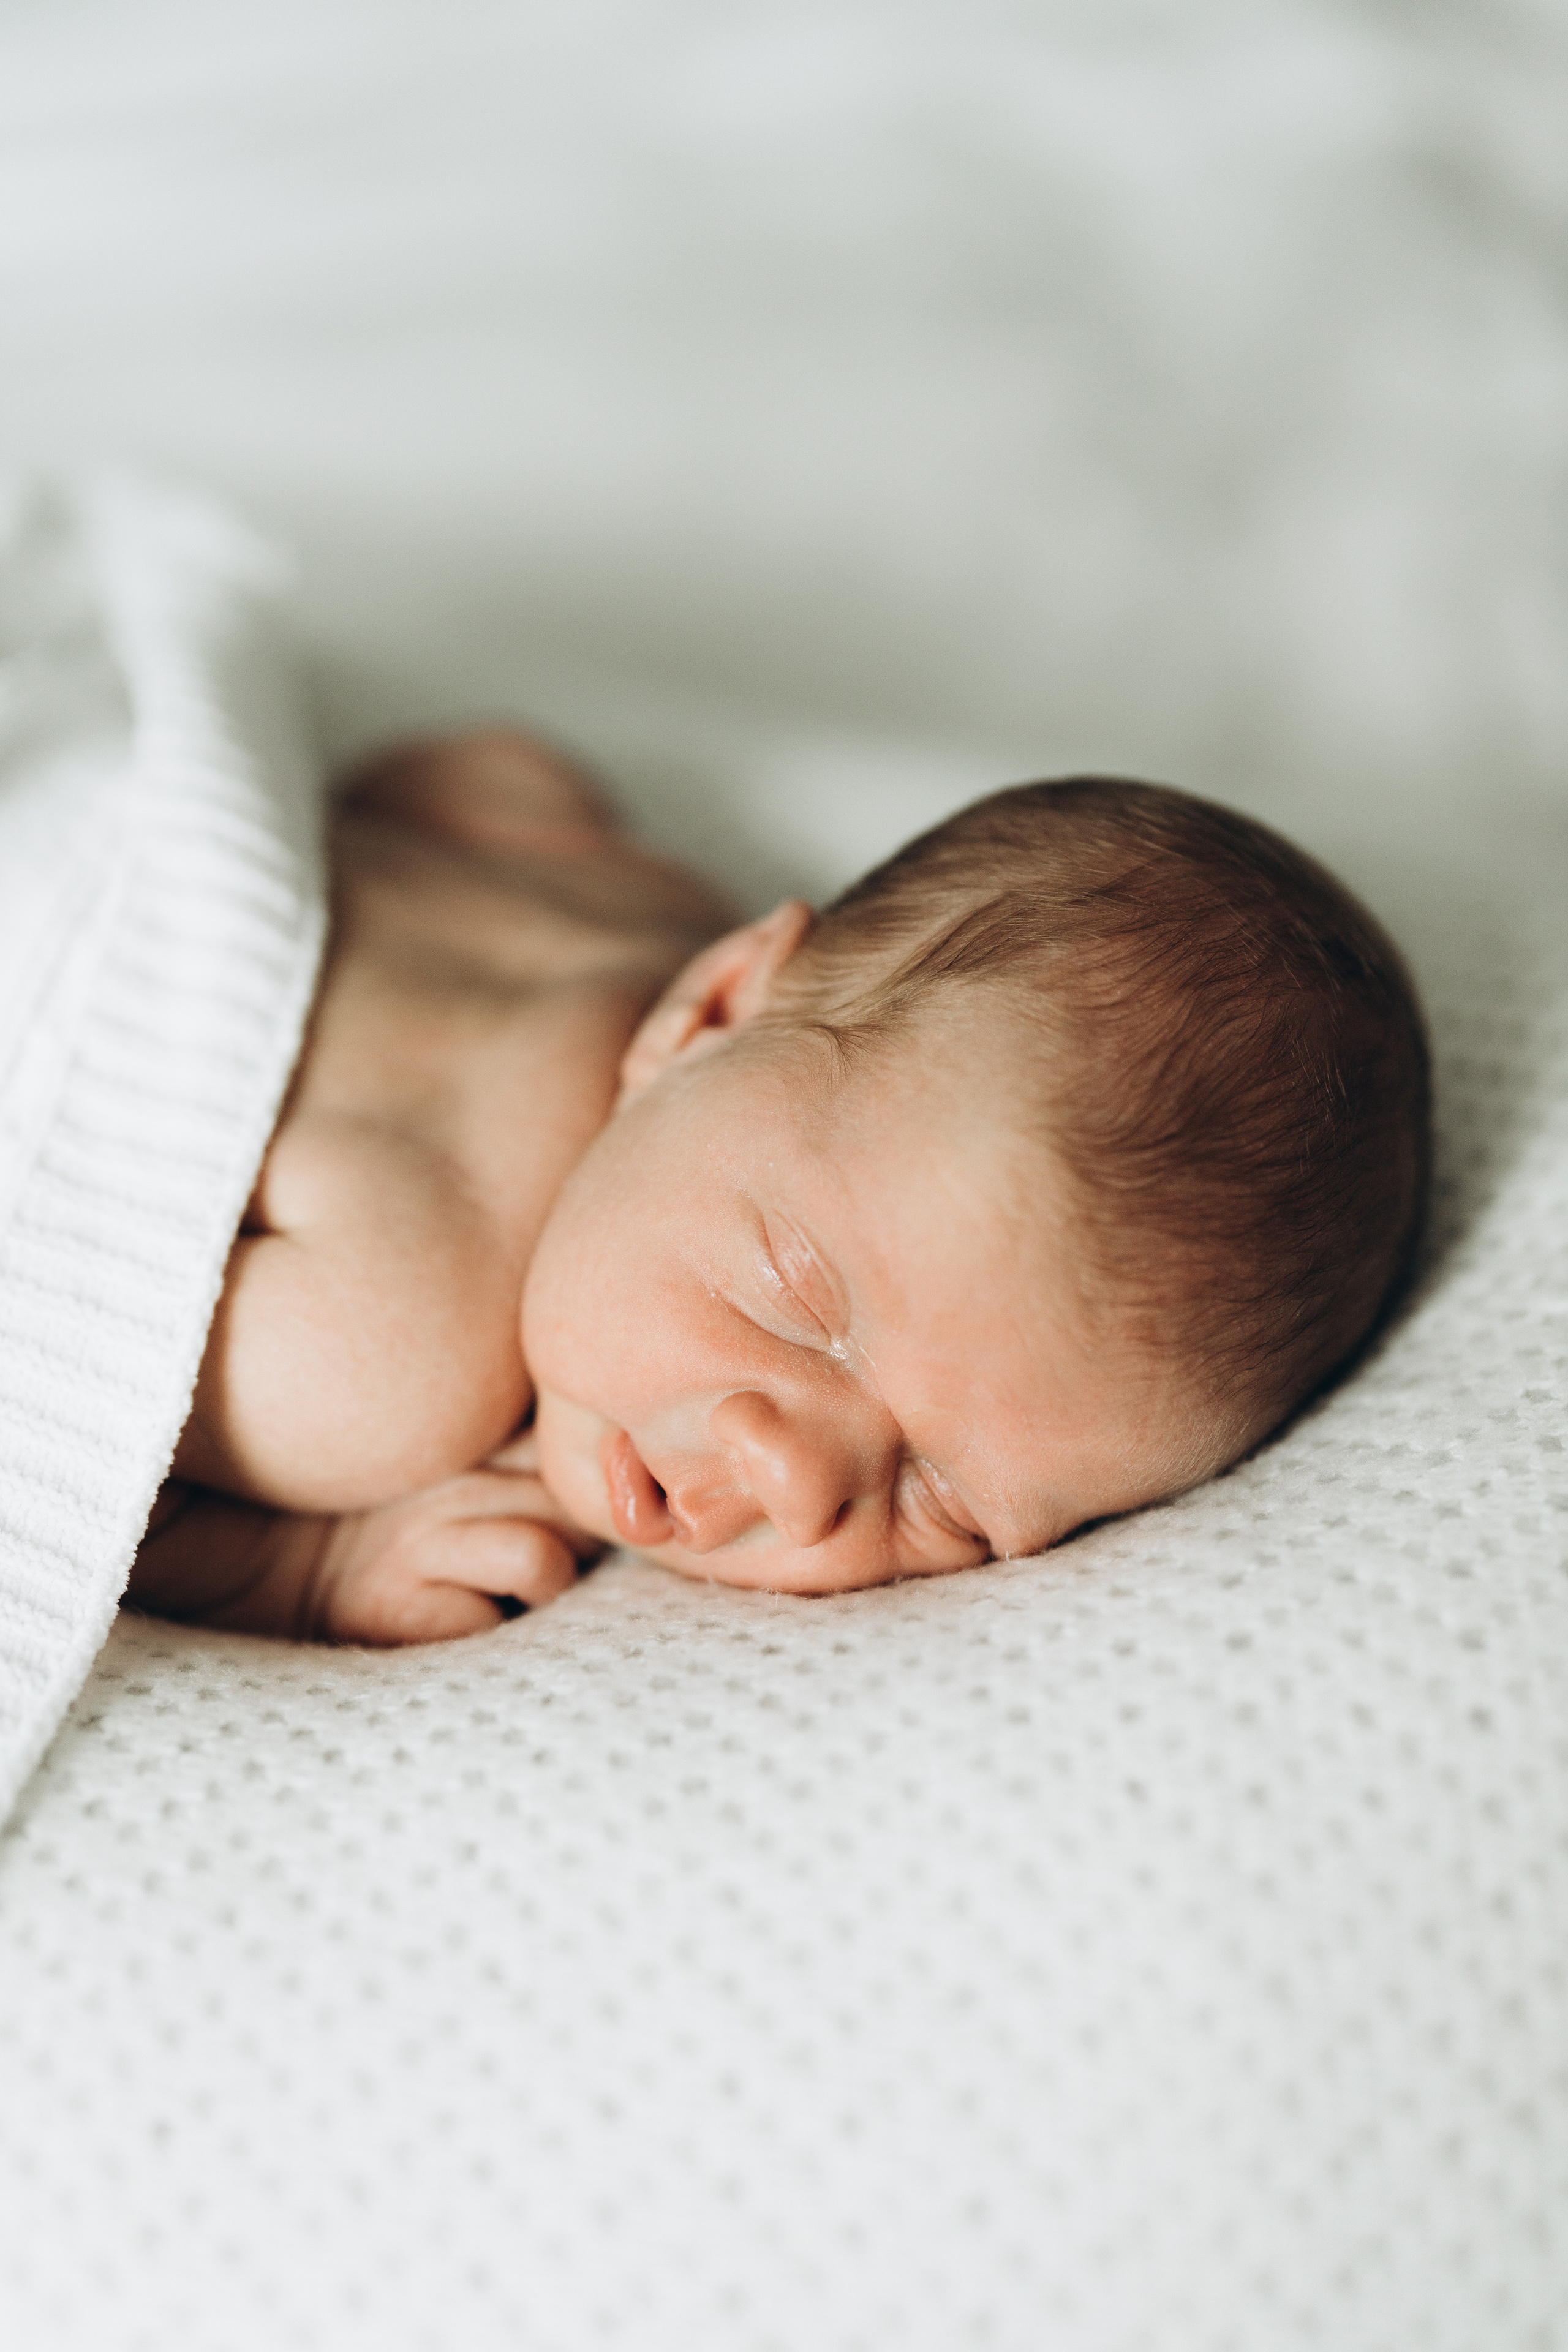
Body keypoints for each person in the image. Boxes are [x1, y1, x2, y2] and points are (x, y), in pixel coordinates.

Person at [128, 729, 1431, 1644]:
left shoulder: (625, 890)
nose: (799, 1486)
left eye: (947, 1507)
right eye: (795, 1297)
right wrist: (290, 1568)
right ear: (711, 1008)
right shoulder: (390, 1351)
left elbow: (465, 768)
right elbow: (50, 1402)